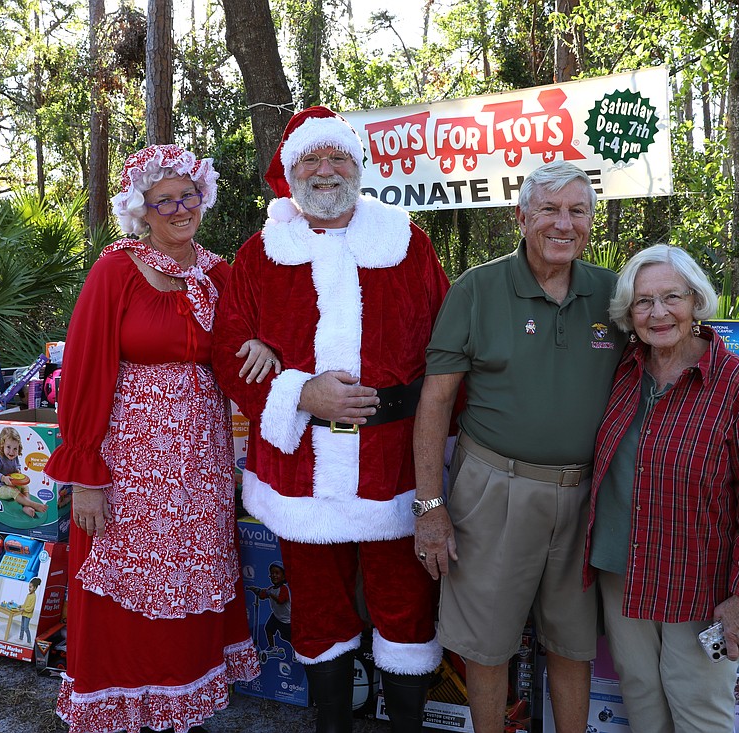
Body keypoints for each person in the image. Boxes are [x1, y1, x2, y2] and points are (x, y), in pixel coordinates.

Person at [212, 106, 450, 733]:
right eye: (310, 160)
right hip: (300, 472)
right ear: (291, 173)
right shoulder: (262, 253)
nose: (324, 170)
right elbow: (229, 351)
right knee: (317, 608)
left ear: (359, 165)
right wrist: (298, 392)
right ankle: (330, 725)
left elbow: (447, 349)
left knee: (405, 605)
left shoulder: (406, 241)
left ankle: (405, 725)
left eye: (337, 157)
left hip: (392, 465)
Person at [44, 144, 269, 733]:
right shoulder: (116, 270)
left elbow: (255, 335)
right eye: (162, 199)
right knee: (123, 580)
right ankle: (118, 704)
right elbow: (87, 373)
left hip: (202, 461)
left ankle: (181, 700)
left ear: (204, 199)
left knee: (192, 572)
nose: (177, 209)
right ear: (140, 208)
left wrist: (266, 345)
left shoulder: (221, 273)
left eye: (187, 196)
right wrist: (86, 475)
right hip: (128, 465)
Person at [413, 160, 625, 733]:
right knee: (487, 644)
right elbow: (434, 402)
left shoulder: (615, 294)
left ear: (591, 220)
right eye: (550, 209)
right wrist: (430, 507)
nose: (564, 223)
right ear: (522, 215)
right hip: (493, 490)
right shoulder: (476, 289)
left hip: (585, 495)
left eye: (577, 210)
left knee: (573, 641)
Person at [583, 244, 739, 733]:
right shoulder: (622, 372)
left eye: (671, 297)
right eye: (642, 302)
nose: (658, 313)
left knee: (698, 709)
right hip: (620, 567)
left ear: (695, 301)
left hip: (695, 577)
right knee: (641, 698)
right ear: (628, 314)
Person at [0, 427, 47, 518]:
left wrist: (18, 471)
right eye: (8, 447)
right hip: (1, 487)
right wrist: (3, 478)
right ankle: (33, 504)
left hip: (13, 483)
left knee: (25, 486)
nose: (12, 452)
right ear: (2, 445)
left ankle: (27, 507)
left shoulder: (14, 457)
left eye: (15, 449)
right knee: (14, 491)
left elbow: (17, 466)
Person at [247, 560, 292, 652]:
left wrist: (269, 594)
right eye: (272, 573)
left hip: (286, 620)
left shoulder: (284, 589)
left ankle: (297, 651)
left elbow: (280, 600)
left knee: (288, 638)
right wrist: (255, 590)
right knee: (268, 629)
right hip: (276, 616)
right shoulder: (271, 589)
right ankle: (272, 648)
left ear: (283, 577)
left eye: (277, 573)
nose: (274, 575)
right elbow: (262, 595)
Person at [18, 577, 41, 644]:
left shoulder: (33, 597)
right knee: (22, 627)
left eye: (30, 587)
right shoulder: (29, 595)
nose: (29, 588)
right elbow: (25, 604)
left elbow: (30, 608)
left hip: (27, 615)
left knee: (26, 628)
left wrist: (23, 609)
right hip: (24, 613)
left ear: (35, 588)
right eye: (29, 587)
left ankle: (29, 641)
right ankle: (20, 638)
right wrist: (21, 606)